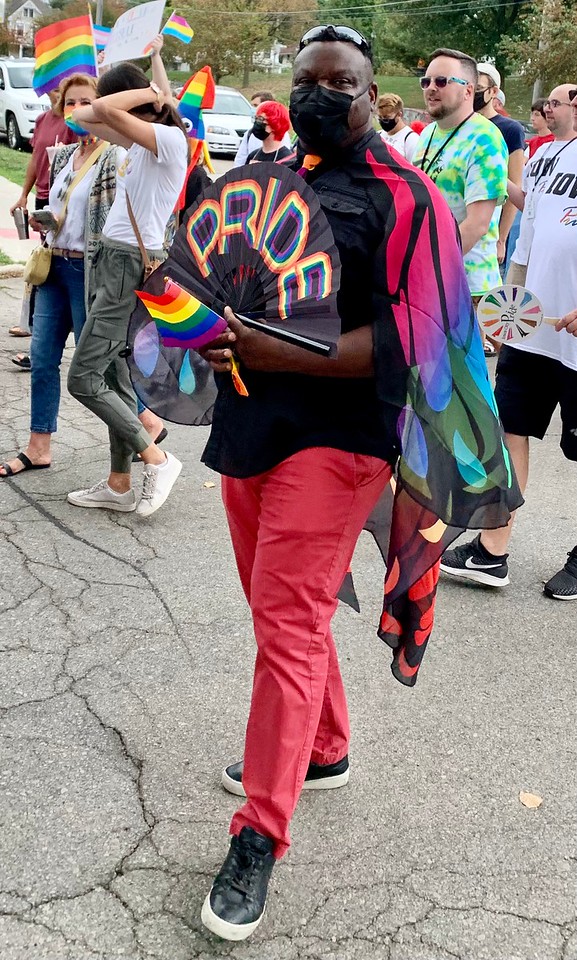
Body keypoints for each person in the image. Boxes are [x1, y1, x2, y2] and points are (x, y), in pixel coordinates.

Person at [194, 25, 520, 941]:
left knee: (289, 623)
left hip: (339, 442)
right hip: (251, 425)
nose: (316, 95)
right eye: (304, 81)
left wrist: (271, 345)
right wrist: (209, 327)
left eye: (337, 82)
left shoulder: (404, 198)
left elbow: (412, 341)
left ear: (374, 96)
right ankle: (325, 748)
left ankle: (259, 834)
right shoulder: (274, 178)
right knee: (275, 614)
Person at [441, 85, 577, 601]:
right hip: (535, 324)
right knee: (510, 429)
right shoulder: (546, 155)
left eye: (560, 99)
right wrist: (507, 301)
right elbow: (530, 221)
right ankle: (493, 549)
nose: (548, 106)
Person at [65, 61, 188, 517]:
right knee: (115, 376)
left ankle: (156, 457)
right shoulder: (140, 142)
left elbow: (98, 106)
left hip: (126, 262)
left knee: (83, 377)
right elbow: (85, 116)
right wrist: (150, 96)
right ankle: (119, 485)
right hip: (110, 256)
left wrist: (151, 92)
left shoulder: (170, 140)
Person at [1, 75, 122, 478]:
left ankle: (142, 428)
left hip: (88, 272)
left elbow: (113, 219)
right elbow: (62, 212)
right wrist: (44, 222)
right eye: (71, 103)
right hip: (54, 266)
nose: (78, 109)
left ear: (101, 106)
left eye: (86, 101)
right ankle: (39, 447)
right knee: (42, 360)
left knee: (98, 366)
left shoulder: (116, 155)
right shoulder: (63, 154)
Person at [413, 49, 508, 356]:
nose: (431, 87)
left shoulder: (485, 138)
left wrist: (429, 268)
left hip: (467, 285)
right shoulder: (427, 134)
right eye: (426, 81)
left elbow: (477, 224)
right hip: (425, 280)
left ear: (469, 90)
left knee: (463, 392)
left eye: (441, 80)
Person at [8, 86, 78, 346]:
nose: (56, 89)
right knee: (42, 260)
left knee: (53, 264)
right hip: (42, 196)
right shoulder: (41, 120)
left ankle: (45, 328)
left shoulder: (73, 122)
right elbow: (35, 158)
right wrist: (24, 194)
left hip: (64, 200)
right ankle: (36, 324)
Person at [506, 84, 577, 289]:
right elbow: (527, 203)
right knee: (513, 319)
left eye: (555, 104)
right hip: (523, 256)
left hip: (557, 264)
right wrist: (499, 176)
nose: (547, 109)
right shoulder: (542, 150)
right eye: (547, 103)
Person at [473, 63, 525, 267]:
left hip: (491, 229)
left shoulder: (510, 129)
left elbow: (513, 185)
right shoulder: (460, 125)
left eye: (478, 88)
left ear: (493, 91)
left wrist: (501, 240)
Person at [233, 92, 292, 166]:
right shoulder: (253, 156)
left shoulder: (287, 160)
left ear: (274, 124)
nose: (257, 123)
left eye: (261, 119)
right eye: (256, 119)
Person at [376, 92, 419, 161]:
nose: (383, 120)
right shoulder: (378, 135)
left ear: (399, 114)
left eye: (386, 117)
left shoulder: (411, 139)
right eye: (380, 117)